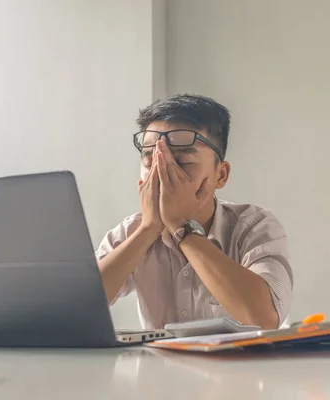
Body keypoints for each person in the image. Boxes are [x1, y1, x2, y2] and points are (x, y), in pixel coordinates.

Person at [95, 94, 293, 330]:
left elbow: (264, 319)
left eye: (182, 163)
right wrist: (148, 230)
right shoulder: (131, 231)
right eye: (150, 163)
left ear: (221, 175)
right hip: (159, 367)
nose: (162, 174)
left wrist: (182, 227)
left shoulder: (254, 227)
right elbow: (78, 306)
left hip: (237, 367)